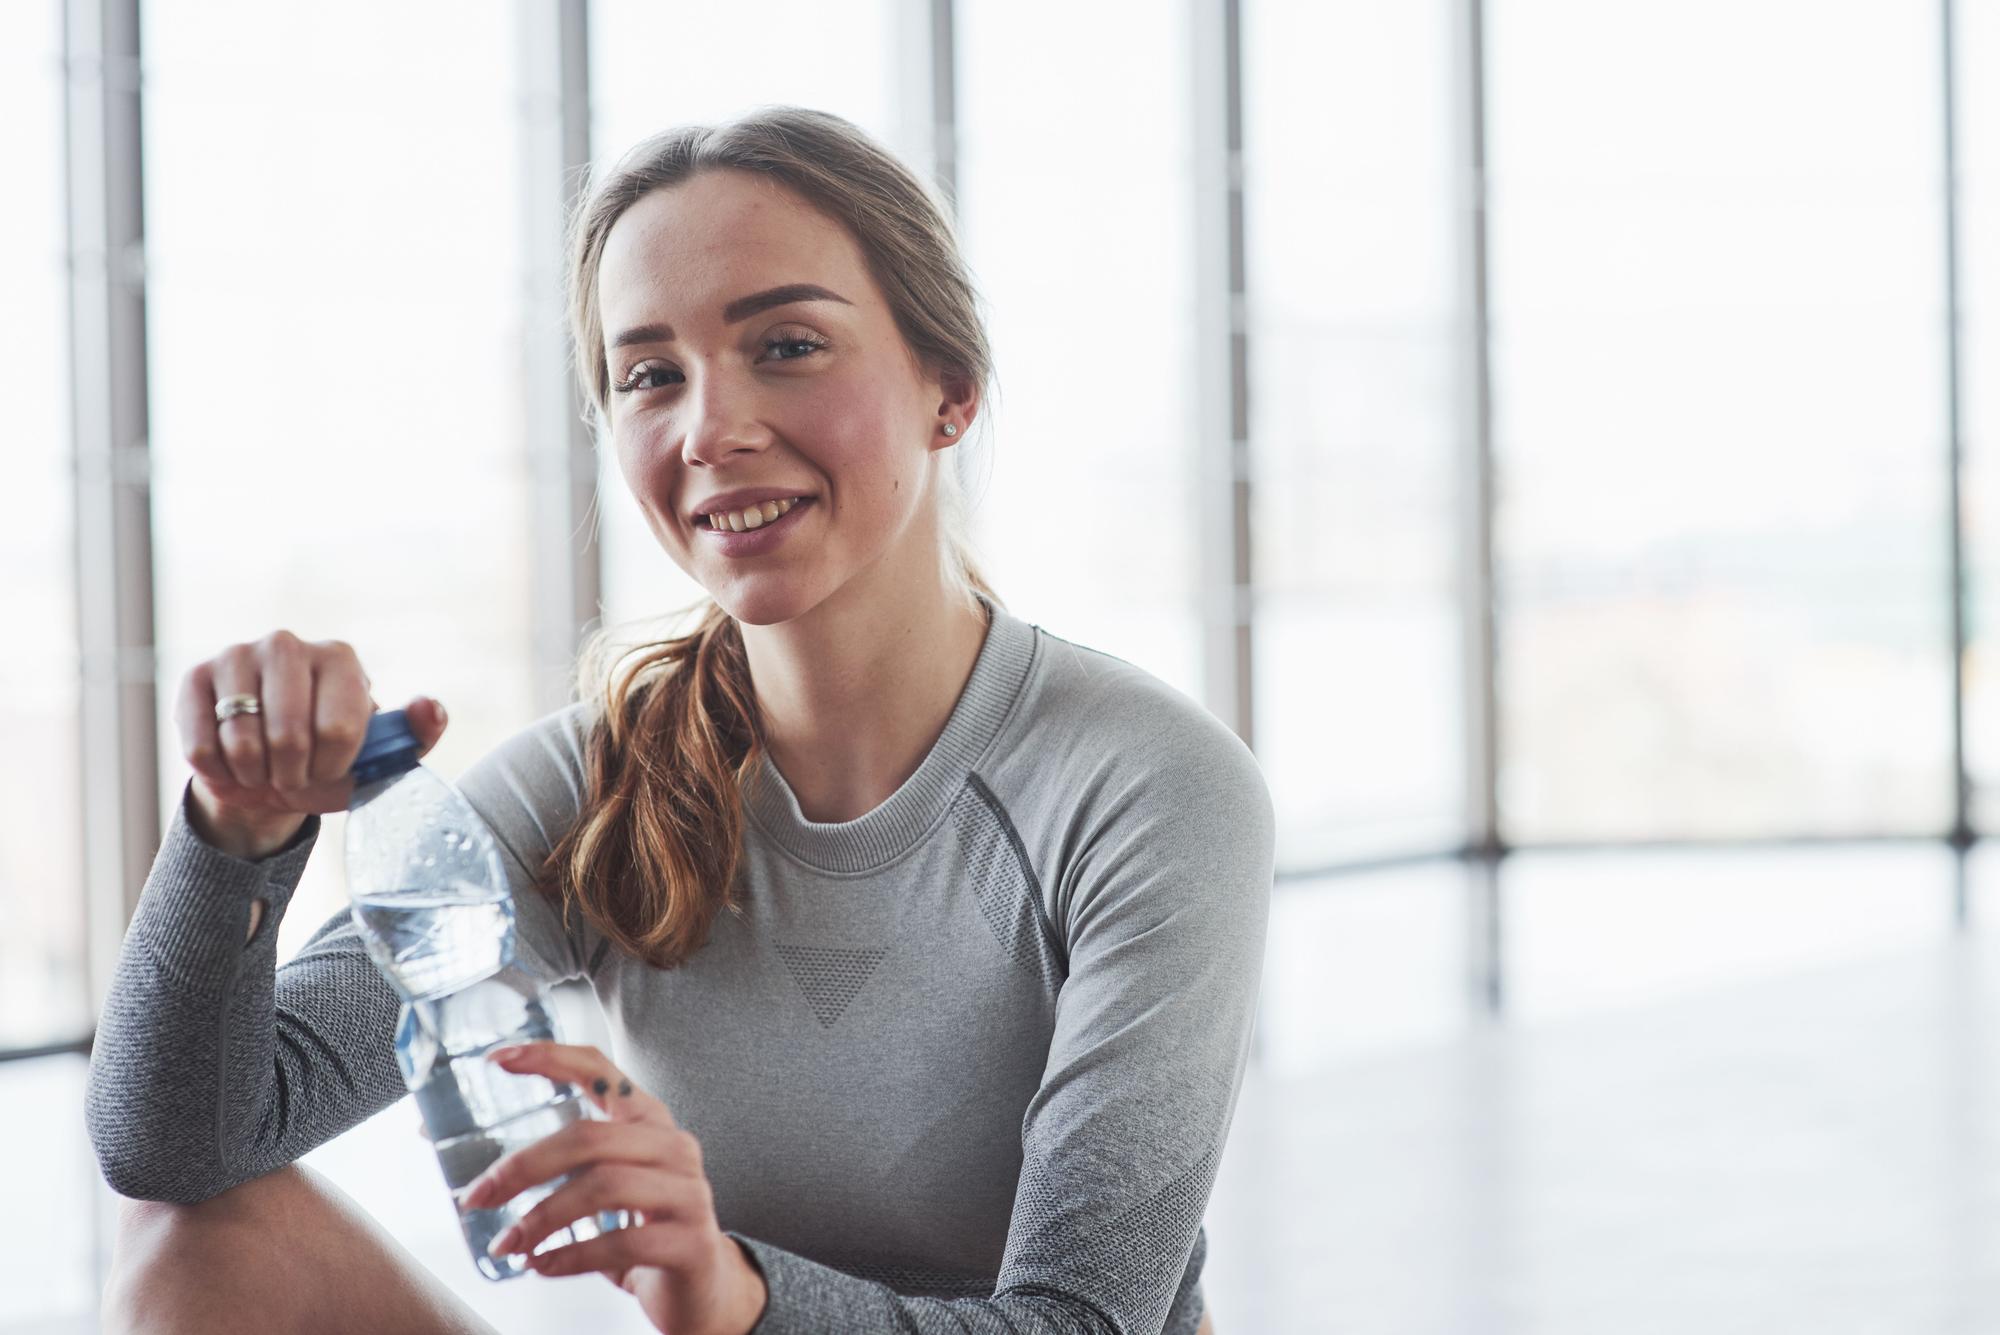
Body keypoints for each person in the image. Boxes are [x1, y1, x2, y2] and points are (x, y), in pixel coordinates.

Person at [86, 106, 1272, 1335]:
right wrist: (234, 837)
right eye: (651, 374)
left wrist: (729, 1293)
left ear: (949, 390)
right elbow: (175, 1144)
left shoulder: (1148, 790)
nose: (711, 430)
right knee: (195, 1239)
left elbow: (1083, 1323)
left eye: (788, 344)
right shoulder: (602, 780)